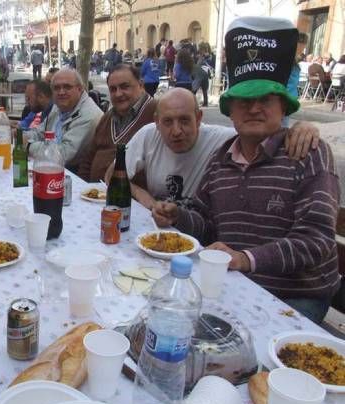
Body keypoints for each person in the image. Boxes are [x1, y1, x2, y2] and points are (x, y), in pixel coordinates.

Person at [152, 17, 339, 324]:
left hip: (294, 297)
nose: (254, 109)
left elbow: (315, 242)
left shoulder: (308, 153)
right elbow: (208, 224)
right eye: (244, 101)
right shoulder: (222, 157)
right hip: (236, 283)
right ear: (231, 111)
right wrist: (178, 216)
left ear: (284, 106)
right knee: (163, 315)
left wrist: (245, 259)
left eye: (265, 100)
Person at [113, 88, 320, 210]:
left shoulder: (225, 139)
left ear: (199, 118)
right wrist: (147, 200)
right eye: (168, 122)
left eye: (185, 120)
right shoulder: (149, 134)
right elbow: (111, 175)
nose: (176, 131)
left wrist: (301, 127)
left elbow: (261, 131)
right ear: (157, 122)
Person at [77, 65, 156, 182]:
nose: (118, 94)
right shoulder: (107, 117)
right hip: (93, 194)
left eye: (124, 87)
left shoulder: (156, 113)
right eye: (113, 89)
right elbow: (88, 159)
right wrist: (81, 188)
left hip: (129, 196)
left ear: (141, 85)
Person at [26, 69, 103, 173]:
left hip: (73, 175)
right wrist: (21, 136)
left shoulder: (89, 115)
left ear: (80, 89)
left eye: (67, 87)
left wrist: (28, 146)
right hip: (51, 166)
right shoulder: (59, 106)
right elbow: (40, 132)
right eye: (56, 88)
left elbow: (63, 154)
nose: (61, 92)